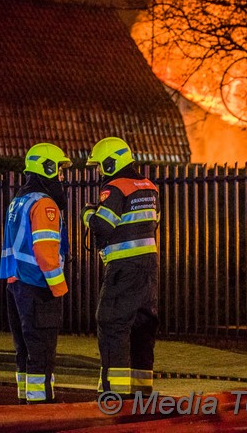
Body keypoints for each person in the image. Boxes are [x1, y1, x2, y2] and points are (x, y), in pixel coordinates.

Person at [81, 137, 160, 397]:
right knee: (142, 326)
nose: (99, 171)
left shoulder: (115, 188)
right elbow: (154, 222)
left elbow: (103, 225)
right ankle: (141, 390)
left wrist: (88, 214)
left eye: (100, 165)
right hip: (149, 270)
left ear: (111, 162)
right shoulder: (149, 187)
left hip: (123, 268)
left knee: (112, 322)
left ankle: (113, 393)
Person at [0, 142, 72, 404]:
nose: (62, 177)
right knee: (41, 351)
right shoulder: (44, 204)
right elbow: (45, 252)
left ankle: (24, 405)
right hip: (38, 286)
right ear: (47, 168)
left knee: (25, 350)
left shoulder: (18, 201)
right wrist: (59, 287)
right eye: (59, 170)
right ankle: (43, 409)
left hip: (15, 284)